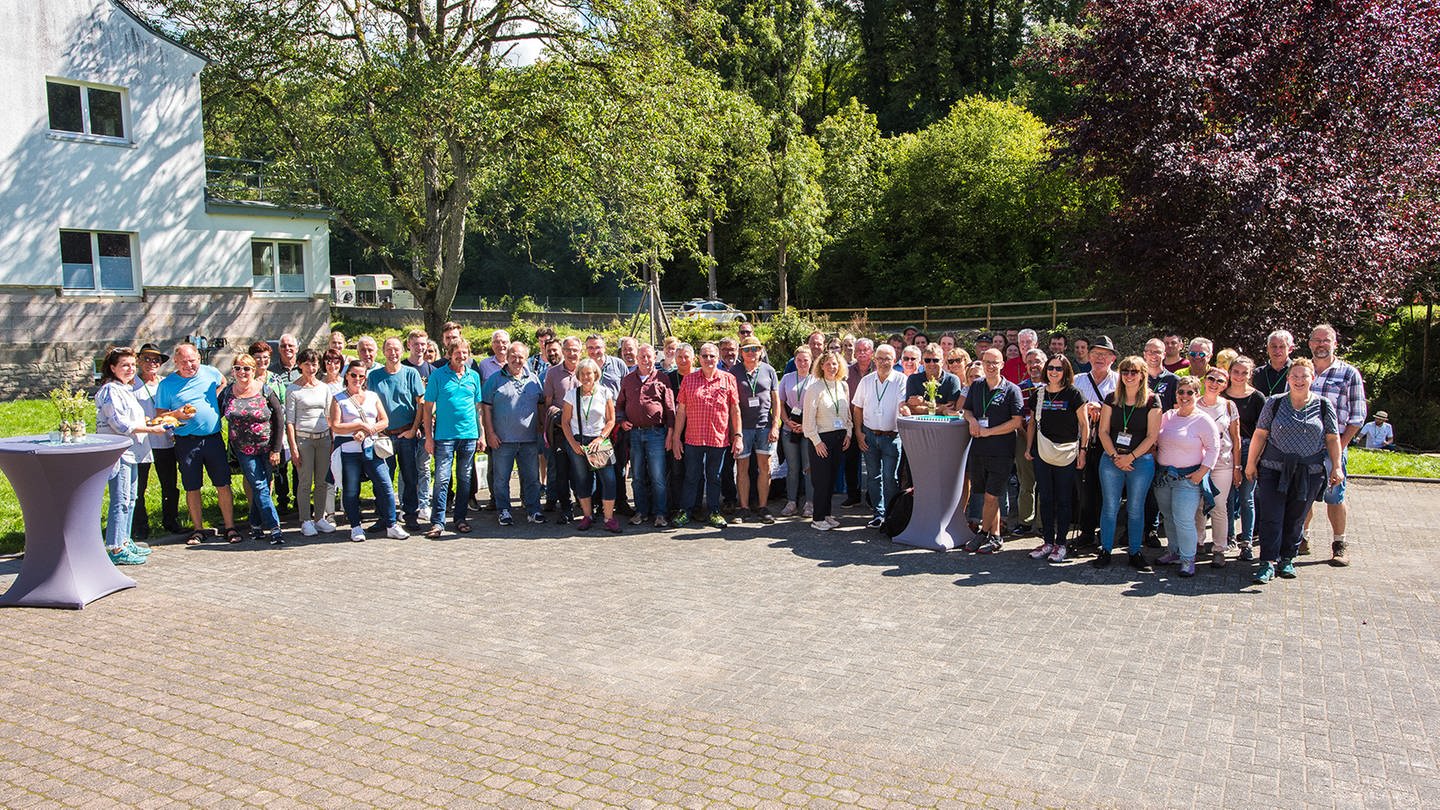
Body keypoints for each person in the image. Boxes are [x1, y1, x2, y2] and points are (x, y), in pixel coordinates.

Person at [1246, 357, 1343, 583]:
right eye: (1295, 376)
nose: (1299, 381)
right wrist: (1251, 463)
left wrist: (1336, 467)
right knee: (1271, 516)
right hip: (1273, 469)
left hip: (1308, 472)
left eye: (1304, 376)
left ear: (1313, 378)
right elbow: (1260, 434)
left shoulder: (1322, 405)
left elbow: (1332, 437)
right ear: (1288, 378)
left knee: (1296, 517)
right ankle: (1267, 562)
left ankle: (1287, 558)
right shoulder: (1275, 402)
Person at [154, 342, 240, 546]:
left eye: (192, 360)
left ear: (199, 359)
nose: (189, 365)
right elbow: (160, 416)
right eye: (183, 362)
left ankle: (229, 527)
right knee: (192, 487)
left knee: (223, 483)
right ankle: (198, 529)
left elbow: (223, 381)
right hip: (186, 442)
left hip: (213, 438)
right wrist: (177, 414)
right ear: (175, 362)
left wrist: (215, 397)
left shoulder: (210, 372)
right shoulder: (166, 385)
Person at [95, 347, 165, 564]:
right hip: (120, 452)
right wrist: (151, 429)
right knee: (121, 500)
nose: (130, 369)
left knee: (131, 499)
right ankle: (115, 548)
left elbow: (134, 418)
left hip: (134, 452)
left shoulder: (126, 389)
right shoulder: (110, 391)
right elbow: (119, 423)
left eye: (132, 365)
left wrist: (149, 423)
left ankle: (124, 540)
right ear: (113, 367)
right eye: (125, 365)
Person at [1094, 355, 1162, 569]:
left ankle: (1135, 551)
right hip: (1111, 459)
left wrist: (1130, 458)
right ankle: (1105, 550)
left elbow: (1152, 436)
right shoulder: (1111, 398)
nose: (1129, 376)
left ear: (1143, 375)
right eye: (1125, 371)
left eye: (1134, 372)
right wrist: (1116, 456)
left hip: (1140, 461)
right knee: (1110, 506)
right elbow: (1103, 431)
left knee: (1135, 508)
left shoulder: (1152, 400)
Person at [1306, 323, 1366, 566]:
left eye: (1326, 340)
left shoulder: (1348, 373)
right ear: (1309, 344)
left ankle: (1339, 544)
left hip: (1334, 445)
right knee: (1303, 495)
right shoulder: (1302, 371)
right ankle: (1302, 538)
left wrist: (1339, 447)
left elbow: (1357, 417)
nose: (1321, 344)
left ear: (1335, 344)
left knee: (1334, 496)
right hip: (1304, 447)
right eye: (1316, 340)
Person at [329, 360, 406, 542]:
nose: (357, 379)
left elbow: (384, 421)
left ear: (365, 377)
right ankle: (355, 526)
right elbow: (336, 426)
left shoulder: (372, 396)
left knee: (385, 484)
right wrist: (358, 425)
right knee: (351, 489)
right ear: (346, 376)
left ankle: (391, 524)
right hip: (349, 449)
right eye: (353, 375)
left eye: (361, 375)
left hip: (372, 448)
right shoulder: (339, 398)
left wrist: (368, 429)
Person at [1152, 377, 1219, 577]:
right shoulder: (1168, 416)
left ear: (1197, 395)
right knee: (1168, 517)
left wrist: (1201, 472)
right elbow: (1154, 437)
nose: (1184, 396)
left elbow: (1214, 448)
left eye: (1190, 392)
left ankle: (1188, 559)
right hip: (1164, 477)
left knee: (1183, 519)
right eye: (1181, 392)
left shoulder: (1202, 420)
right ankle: (1173, 551)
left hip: (1188, 478)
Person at [961, 349, 1025, 553]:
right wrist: (971, 421)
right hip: (979, 449)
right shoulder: (977, 385)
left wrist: (990, 432)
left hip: (1001, 451)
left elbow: (1016, 421)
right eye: (986, 362)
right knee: (986, 495)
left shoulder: (1011, 390)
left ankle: (982, 533)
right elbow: (967, 409)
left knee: (991, 495)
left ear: (1002, 364)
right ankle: (995, 536)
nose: (990, 366)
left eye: (994, 363)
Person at [1024, 354, 1086, 563]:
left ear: (1065, 371)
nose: (1054, 372)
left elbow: (1084, 425)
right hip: (1042, 451)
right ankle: (1048, 541)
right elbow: (1032, 423)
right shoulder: (1039, 394)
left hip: (1067, 452)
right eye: (1051, 368)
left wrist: (1083, 451)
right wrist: (1028, 448)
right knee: (1046, 498)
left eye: (1059, 369)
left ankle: (1061, 543)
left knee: (1064, 499)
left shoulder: (1074, 394)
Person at [673, 342, 742, 528]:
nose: (708, 359)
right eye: (704, 356)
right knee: (691, 476)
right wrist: (676, 438)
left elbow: (735, 410)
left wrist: (738, 436)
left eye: (712, 356)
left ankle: (714, 511)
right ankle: (685, 511)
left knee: (715, 477)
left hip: (718, 438)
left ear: (718, 358)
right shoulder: (689, 380)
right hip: (693, 438)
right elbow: (681, 412)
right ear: (699, 359)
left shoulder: (728, 379)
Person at [220, 353, 287, 545]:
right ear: (233, 370)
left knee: (263, 487)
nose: (242, 372)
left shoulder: (265, 390)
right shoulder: (227, 393)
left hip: (267, 446)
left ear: (253, 370)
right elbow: (214, 413)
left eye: (247, 368)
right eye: (238, 368)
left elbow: (279, 419)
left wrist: (276, 449)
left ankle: (256, 526)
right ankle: (275, 528)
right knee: (259, 486)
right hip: (243, 449)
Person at [424, 339, 484, 538]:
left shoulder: (473, 376)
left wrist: (481, 434)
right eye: (458, 353)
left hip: (468, 435)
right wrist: (428, 438)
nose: (462, 356)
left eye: (465, 353)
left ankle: (460, 518)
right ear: (449, 354)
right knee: (442, 478)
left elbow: (478, 409)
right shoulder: (437, 376)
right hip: (444, 436)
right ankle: (438, 521)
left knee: (465, 479)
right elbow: (427, 408)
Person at [482, 341, 546, 526]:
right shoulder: (494, 379)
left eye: (521, 357)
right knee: (501, 478)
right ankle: (503, 510)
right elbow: (486, 408)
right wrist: (490, 434)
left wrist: (541, 428)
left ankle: (533, 510)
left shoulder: (534, 379)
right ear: (507, 357)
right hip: (503, 440)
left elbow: (541, 405)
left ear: (526, 359)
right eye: (514, 357)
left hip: (529, 440)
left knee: (532, 479)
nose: (517, 360)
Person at [369, 337, 427, 528]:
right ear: (383, 352)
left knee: (410, 477)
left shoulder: (411, 374)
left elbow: (421, 404)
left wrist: (413, 429)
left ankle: (410, 515)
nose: (392, 353)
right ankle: (385, 516)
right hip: (383, 436)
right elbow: (370, 404)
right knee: (383, 477)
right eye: (388, 349)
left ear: (402, 351)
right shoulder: (374, 376)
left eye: (396, 349)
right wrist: (377, 431)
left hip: (406, 435)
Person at [616, 343, 675, 528]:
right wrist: (621, 420)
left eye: (649, 356)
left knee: (658, 476)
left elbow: (670, 408)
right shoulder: (627, 380)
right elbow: (620, 405)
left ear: (654, 357)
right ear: (637, 358)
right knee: (638, 475)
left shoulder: (662, 379)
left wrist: (670, 434)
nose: (646, 360)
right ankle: (641, 511)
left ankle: (660, 513)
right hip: (634, 433)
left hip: (657, 433)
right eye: (642, 356)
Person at [726, 336, 780, 524]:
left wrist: (775, 425)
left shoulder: (769, 370)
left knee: (764, 468)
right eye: (747, 349)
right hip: (743, 428)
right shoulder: (734, 372)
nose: (751, 353)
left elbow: (776, 400)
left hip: (764, 427)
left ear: (761, 350)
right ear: (741, 352)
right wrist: (735, 432)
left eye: (755, 349)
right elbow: (731, 404)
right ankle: (743, 508)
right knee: (742, 468)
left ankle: (763, 507)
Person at [563, 358, 620, 532]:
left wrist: (601, 438)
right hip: (578, 442)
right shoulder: (572, 394)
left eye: (590, 373)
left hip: (599, 442)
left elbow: (611, 420)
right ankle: (587, 516)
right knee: (582, 480)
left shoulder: (604, 392)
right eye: (583, 374)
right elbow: (565, 422)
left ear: (596, 374)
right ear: (579, 376)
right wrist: (573, 444)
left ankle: (608, 518)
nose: (587, 377)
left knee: (609, 479)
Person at [1073, 336, 1119, 547]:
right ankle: (1086, 530)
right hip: (1084, 441)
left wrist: (1104, 410)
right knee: (1085, 487)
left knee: (1108, 488)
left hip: (1109, 442)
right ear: (1088, 356)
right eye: (1095, 354)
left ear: (1112, 358)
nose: (1099, 358)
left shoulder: (1119, 381)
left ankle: (1105, 530)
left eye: (1104, 354)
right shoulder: (1078, 380)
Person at [285, 349, 337, 537]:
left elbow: (329, 415)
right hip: (304, 439)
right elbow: (289, 421)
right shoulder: (293, 389)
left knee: (322, 480)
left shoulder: (324, 388)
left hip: (323, 438)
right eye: (307, 364)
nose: (311, 368)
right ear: (300, 365)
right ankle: (305, 520)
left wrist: (332, 439)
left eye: (314, 364)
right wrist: (293, 448)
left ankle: (319, 518)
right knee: (305, 481)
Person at [132, 343, 181, 539]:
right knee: (139, 486)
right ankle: (140, 526)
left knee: (169, 483)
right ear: (138, 361)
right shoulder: (131, 384)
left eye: (156, 360)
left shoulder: (164, 383)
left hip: (164, 441)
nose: (151, 363)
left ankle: (171, 520)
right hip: (142, 441)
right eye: (147, 359)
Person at [852, 344, 904, 529]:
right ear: (874, 360)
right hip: (870, 436)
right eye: (880, 358)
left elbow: (902, 406)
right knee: (873, 477)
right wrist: (858, 433)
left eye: (887, 358)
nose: (883, 362)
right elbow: (857, 407)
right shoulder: (866, 381)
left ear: (894, 361)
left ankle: (891, 515)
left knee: (891, 478)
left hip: (892, 436)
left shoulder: (901, 380)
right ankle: (878, 514)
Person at [1222, 356, 1266, 560]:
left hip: (1249, 450)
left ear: (1250, 375)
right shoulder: (1222, 396)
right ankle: (1229, 536)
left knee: (1246, 497)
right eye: (1236, 372)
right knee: (1227, 497)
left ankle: (1246, 541)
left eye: (1244, 372)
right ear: (1229, 372)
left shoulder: (1257, 398)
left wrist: (1254, 460)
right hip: (1226, 450)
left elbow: (1263, 431)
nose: (1239, 376)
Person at [1196, 368, 1242, 566]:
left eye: (1220, 381)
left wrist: (1238, 467)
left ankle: (1219, 548)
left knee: (1219, 506)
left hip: (1223, 463)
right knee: (1197, 506)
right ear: (1205, 380)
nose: (1214, 383)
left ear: (1225, 385)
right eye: (1211, 379)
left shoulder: (1229, 406)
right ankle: (1197, 543)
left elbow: (1236, 439)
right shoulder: (1193, 402)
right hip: (1197, 462)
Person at [803, 350, 852, 531]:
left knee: (831, 479)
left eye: (835, 363)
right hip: (821, 439)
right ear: (821, 366)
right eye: (828, 364)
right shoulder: (814, 388)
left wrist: (849, 433)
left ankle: (827, 514)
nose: (832, 367)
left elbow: (847, 413)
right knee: (821, 480)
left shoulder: (843, 386)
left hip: (840, 437)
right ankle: (817, 518)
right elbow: (808, 420)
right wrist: (816, 441)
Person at [544, 337, 583, 522]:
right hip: (560, 431)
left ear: (580, 351)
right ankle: (565, 509)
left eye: (575, 350)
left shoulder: (587, 370)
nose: (571, 353)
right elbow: (548, 403)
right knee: (561, 472)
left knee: (581, 471)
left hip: (582, 431)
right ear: (563, 351)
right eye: (568, 349)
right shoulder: (552, 373)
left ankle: (584, 506)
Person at [401, 328, 435, 524]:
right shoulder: (403, 367)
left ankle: (423, 504)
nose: (420, 348)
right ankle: (405, 506)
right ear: (409, 345)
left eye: (423, 344)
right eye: (416, 344)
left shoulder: (432, 371)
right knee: (405, 469)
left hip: (427, 428)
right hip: (407, 427)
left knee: (423, 467)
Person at [778, 345, 814, 518]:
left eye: (805, 360)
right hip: (789, 429)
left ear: (811, 361)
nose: (802, 363)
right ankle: (791, 502)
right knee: (792, 468)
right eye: (798, 360)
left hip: (809, 430)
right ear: (794, 361)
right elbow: (779, 403)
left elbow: (818, 407)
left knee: (808, 468)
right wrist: (786, 421)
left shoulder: (816, 380)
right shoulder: (786, 378)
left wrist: (806, 425)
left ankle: (809, 503)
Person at [843, 338, 876, 506]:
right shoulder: (846, 372)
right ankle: (853, 495)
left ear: (872, 352)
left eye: (866, 349)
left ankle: (872, 495)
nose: (862, 352)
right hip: (851, 421)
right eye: (859, 350)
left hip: (872, 422)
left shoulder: (878, 370)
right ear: (854, 353)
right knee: (851, 461)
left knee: (873, 462)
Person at [903, 344, 962, 415]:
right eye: (927, 360)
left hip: (944, 424)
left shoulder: (952, 380)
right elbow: (910, 408)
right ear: (922, 362)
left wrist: (923, 403)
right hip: (918, 423)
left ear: (942, 362)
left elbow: (951, 408)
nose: (931, 363)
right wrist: (939, 409)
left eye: (935, 360)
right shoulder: (913, 379)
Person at [1253, 329, 1294, 399]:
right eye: (1274, 346)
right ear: (1268, 348)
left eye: (1282, 347)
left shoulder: (1296, 372)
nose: (1277, 351)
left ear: (1290, 349)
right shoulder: (1257, 373)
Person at [1142, 338, 1180, 412]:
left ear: (1164, 355)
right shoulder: (1137, 378)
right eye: (1150, 352)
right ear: (1144, 355)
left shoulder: (1174, 380)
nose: (1154, 356)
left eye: (1158, 352)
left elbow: (1177, 409)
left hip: (1165, 422)